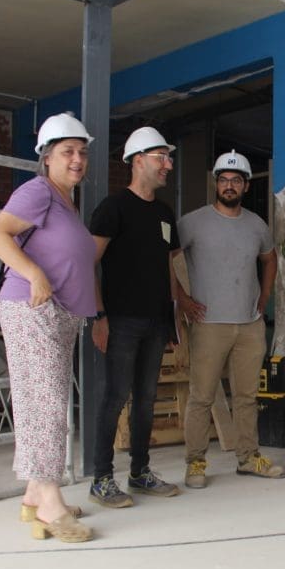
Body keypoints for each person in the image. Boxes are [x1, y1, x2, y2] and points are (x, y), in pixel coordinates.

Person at [0, 112, 96, 542]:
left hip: (58, 313)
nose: (77, 159)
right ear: (47, 157)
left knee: (42, 400)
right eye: (67, 152)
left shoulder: (65, 200)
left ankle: (34, 495)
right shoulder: (38, 191)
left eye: (82, 152)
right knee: (47, 403)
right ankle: (50, 502)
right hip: (32, 308)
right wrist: (33, 273)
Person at [86, 127, 182, 508]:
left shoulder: (164, 213)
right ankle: (101, 479)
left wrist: (172, 319)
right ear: (138, 160)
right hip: (121, 321)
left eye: (169, 158)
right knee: (115, 397)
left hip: (156, 322)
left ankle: (140, 472)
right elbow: (88, 264)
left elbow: (168, 267)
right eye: (162, 157)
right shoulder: (113, 208)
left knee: (145, 399)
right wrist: (99, 316)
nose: (168, 165)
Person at [177, 150, 283, 488]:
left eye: (236, 180)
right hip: (208, 324)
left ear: (246, 185)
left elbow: (270, 259)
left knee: (247, 397)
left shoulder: (256, 225)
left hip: (249, 325)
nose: (229, 185)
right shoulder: (192, 222)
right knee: (202, 397)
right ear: (216, 183)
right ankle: (195, 463)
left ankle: (248, 458)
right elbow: (165, 258)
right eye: (223, 179)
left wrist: (264, 296)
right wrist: (182, 299)